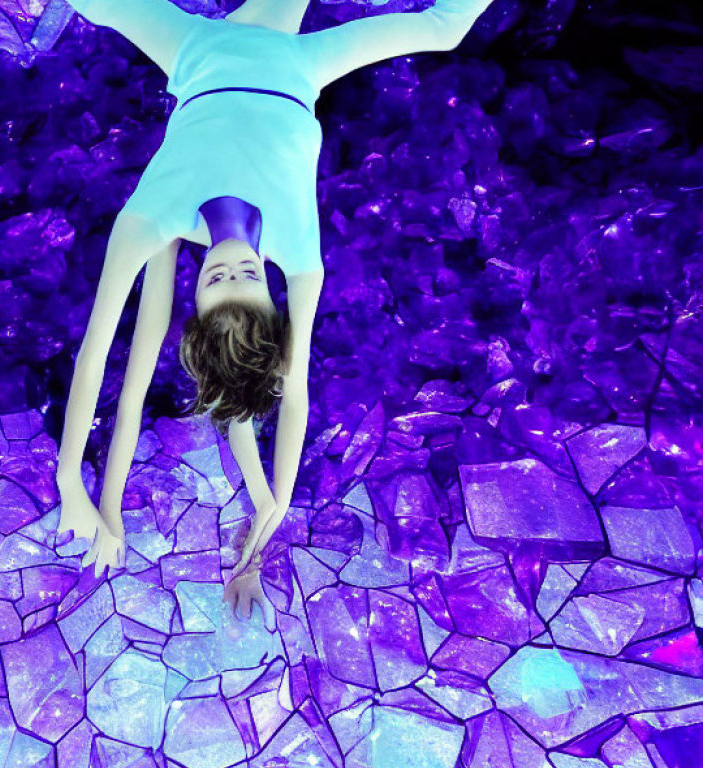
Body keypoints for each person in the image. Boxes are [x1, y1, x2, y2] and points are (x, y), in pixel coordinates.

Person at [53, 0, 495, 626]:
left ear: (197, 298)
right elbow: (296, 398)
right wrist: (254, 548)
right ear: (270, 300)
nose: (232, 267)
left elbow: (103, 360)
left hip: (198, 53)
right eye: (248, 281)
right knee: (445, 30)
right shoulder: (299, 256)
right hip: (296, 67)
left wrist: (82, 484)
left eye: (216, 281)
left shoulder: (153, 222)